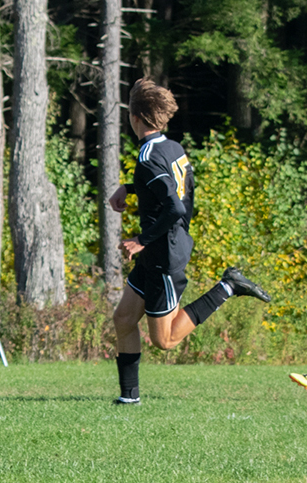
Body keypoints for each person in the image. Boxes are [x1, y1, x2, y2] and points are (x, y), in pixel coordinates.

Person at [108, 78, 270, 405]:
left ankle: (228, 286)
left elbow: (174, 205)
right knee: (123, 319)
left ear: (136, 117)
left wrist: (142, 239)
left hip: (164, 255)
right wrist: (131, 187)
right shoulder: (171, 147)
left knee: (165, 341)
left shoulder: (149, 156)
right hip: (161, 250)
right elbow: (176, 189)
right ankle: (128, 399)